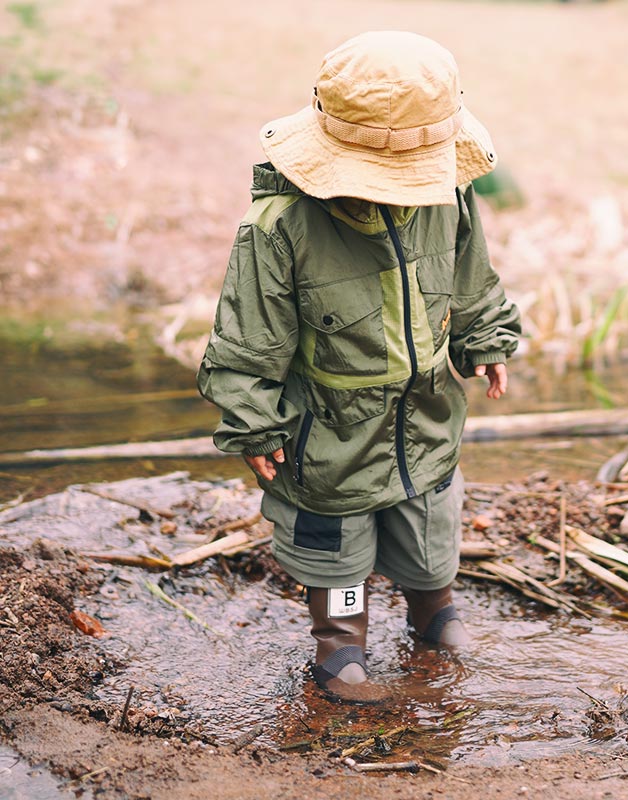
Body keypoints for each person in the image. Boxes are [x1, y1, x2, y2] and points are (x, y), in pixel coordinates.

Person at [197, 30, 521, 704]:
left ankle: (436, 613)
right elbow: (246, 340)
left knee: (429, 518)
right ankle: (339, 641)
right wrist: (255, 423)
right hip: (328, 428)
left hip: (425, 411)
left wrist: (486, 337)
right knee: (334, 537)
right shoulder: (281, 226)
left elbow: (471, 279)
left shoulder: (449, 197)